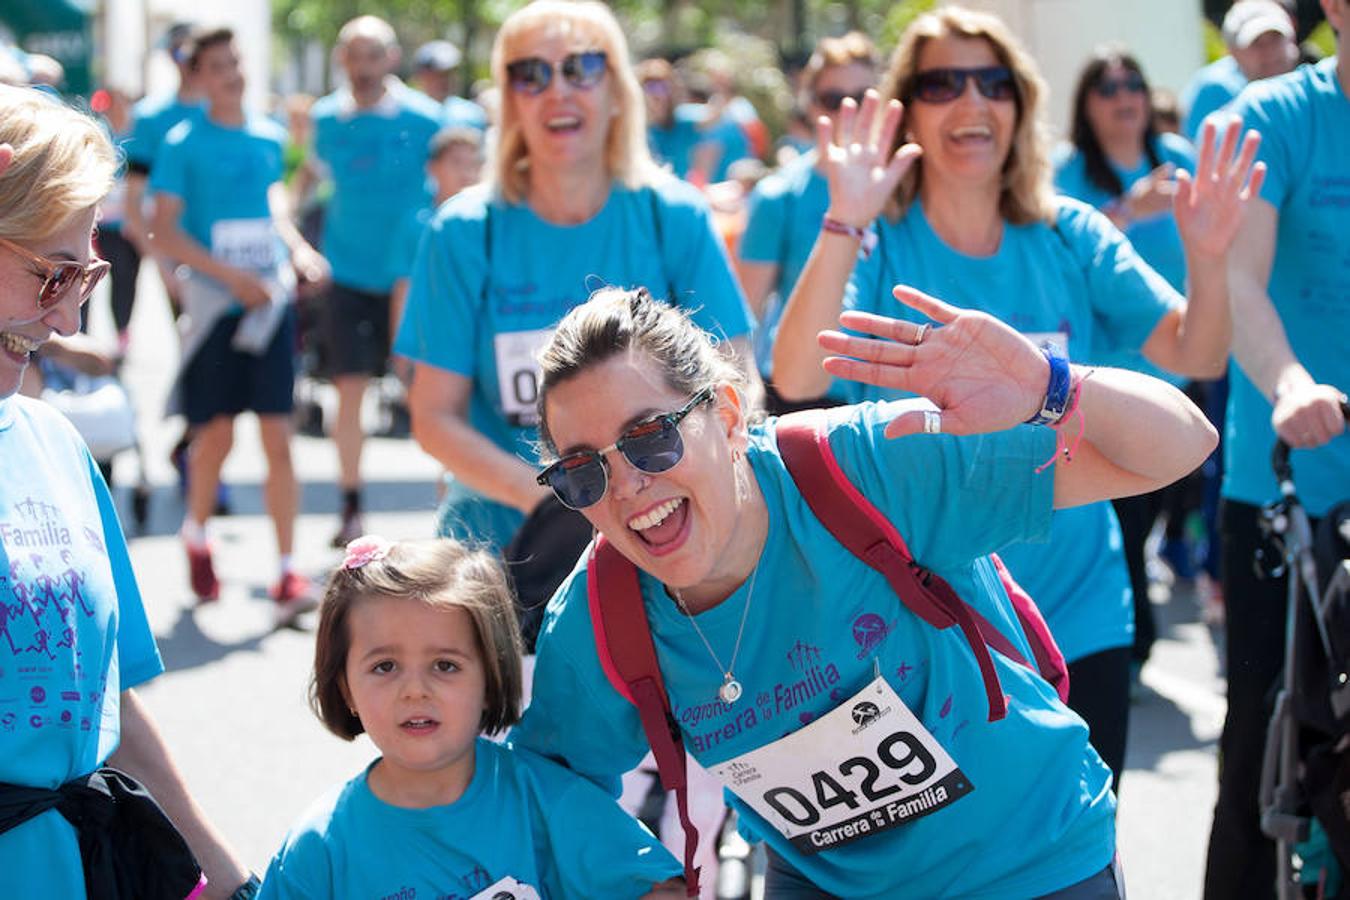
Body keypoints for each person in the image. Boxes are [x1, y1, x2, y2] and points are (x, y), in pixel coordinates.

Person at [512, 284, 1220, 897]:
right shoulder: (601, 613)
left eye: (650, 438)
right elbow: (549, 787)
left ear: (726, 415)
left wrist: (1051, 390)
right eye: (583, 472)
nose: (630, 485)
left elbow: (1182, 442)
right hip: (825, 885)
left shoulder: (870, 466)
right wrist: (644, 885)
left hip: (1030, 861)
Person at [769, 5, 1263, 794]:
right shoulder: (882, 242)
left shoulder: (1069, 231)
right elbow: (794, 377)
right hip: (921, 622)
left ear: (1019, 104)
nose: (972, 101)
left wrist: (1209, 260)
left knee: (1074, 851)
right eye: (942, 83)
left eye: (992, 81)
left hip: (1080, 610)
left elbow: (1195, 353)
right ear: (908, 111)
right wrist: (844, 219)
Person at [395, 0, 757, 631]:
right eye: (530, 73)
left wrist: (653, 496)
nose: (556, 90)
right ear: (507, 98)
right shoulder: (462, 232)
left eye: (581, 68)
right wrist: (569, 499)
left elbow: (736, 380)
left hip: (665, 538)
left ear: (616, 89)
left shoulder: (672, 216)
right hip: (505, 554)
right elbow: (434, 418)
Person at [0, 81, 256, 900]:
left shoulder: (54, 444)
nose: (69, 323)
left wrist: (231, 879)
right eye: (52, 276)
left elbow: (109, 711)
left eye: (87, 277)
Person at [257, 536, 684, 899]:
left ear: (490, 676)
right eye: (384, 666)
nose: (415, 689)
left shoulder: (545, 799)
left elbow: (664, 891)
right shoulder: (318, 849)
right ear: (345, 687)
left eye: (445, 665)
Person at [1204, 1, 1350, 895]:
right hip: (1288, 493)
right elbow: (1237, 279)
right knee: (1266, 743)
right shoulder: (1272, 118)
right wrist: (1291, 383)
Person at [148, 27, 329, 615]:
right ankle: (197, 534)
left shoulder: (267, 135)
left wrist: (295, 249)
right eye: (218, 67)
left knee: (279, 437)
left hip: (269, 307)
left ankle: (285, 573)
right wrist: (230, 277)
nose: (231, 75)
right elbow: (166, 230)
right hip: (215, 311)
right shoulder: (182, 141)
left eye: (236, 62)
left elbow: (271, 201)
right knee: (216, 437)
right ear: (199, 76)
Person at [1053, 46, 1204, 686]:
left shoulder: (1183, 161)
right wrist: (1127, 212)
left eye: (1134, 83)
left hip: (1187, 378)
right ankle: (1128, 648)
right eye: (1108, 86)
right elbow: (1054, 252)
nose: (1124, 95)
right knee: (1124, 520)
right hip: (1106, 388)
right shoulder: (1068, 175)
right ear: (1087, 105)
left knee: (1183, 505)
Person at [309, 16, 446, 547]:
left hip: (410, 276)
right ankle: (350, 506)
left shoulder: (426, 119)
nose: (363, 68)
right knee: (349, 392)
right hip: (345, 273)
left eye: (373, 55)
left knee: (430, 387)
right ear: (341, 60)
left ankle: (449, 507)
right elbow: (310, 182)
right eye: (353, 55)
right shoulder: (326, 119)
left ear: (391, 58)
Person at [738, 32, 878, 414]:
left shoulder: (907, 188)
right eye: (834, 100)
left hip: (889, 393)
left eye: (864, 98)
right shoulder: (779, 195)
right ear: (812, 105)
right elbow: (746, 314)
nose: (849, 110)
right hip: (804, 395)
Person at [1180, 0, 1299, 141]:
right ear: (1233, 52)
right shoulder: (1213, 88)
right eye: (1256, 42)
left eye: (1275, 38)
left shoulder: (1316, 92)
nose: (1269, 51)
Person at [410, 39, 489, 131]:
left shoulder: (472, 116)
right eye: (437, 74)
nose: (444, 80)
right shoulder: (407, 112)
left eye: (449, 73)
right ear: (421, 76)